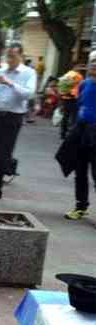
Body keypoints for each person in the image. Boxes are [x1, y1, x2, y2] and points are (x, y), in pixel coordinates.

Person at [0, 43, 37, 207]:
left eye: (13, 56)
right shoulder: (0, 71)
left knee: (3, 153)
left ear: (21, 56)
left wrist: (10, 83)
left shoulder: (28, 73)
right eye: (8, 55)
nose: (10, 59)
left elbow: (29, 94)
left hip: (13, 116)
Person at [63, 52, 96, 220]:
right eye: (92, 61)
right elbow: (80, 105)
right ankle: (81, 206)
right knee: (80, 170)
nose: (93, 64)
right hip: (81, 130)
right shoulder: (84, 84)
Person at [59, 65, 84, 139]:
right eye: (80, 66)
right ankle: (71, 134)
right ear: (76, 67)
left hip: (66, 97)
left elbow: (61, 85)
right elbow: (81, 86)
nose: (81, 68)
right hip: (74, 98)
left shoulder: (67, 74)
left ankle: (63, 133)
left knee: (65, 116)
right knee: (74, 117)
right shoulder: (78, 75)